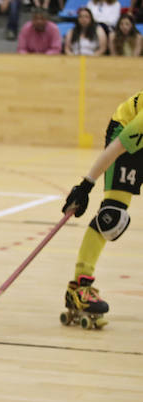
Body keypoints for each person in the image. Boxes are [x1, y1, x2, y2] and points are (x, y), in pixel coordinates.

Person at [59, 89, 143, 328]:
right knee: (113, 217)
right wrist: (85, 186)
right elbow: (117, 147)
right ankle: (80, 287)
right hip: (126, 136)